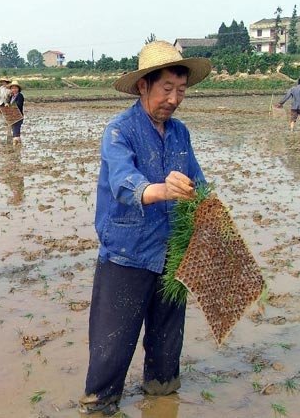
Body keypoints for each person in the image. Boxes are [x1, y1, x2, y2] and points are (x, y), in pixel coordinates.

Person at [79, 40, 211, 416]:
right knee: (112, 340)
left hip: (172, 250)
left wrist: (203, 200)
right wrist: (161, 190)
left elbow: (197, 181)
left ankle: (162, 395)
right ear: (143, 86)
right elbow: (123, 182)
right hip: (127, 251)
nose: (173, 99)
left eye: (181, 91)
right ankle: (100, 403)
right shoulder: (119, 131)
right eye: (166, 89)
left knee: (168, 337)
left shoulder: (181, 133)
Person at [8, 80, 25, 145]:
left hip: (18, 116)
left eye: (15, 88)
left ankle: (15, 148)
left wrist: (10, 105)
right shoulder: (11, 96)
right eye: (12, 88)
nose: (14, 89)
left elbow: (19, 104)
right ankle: (19, 145)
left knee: (15, 133)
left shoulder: (20, 96)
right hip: (12, 116)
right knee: (16, 132)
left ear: (18, 89)